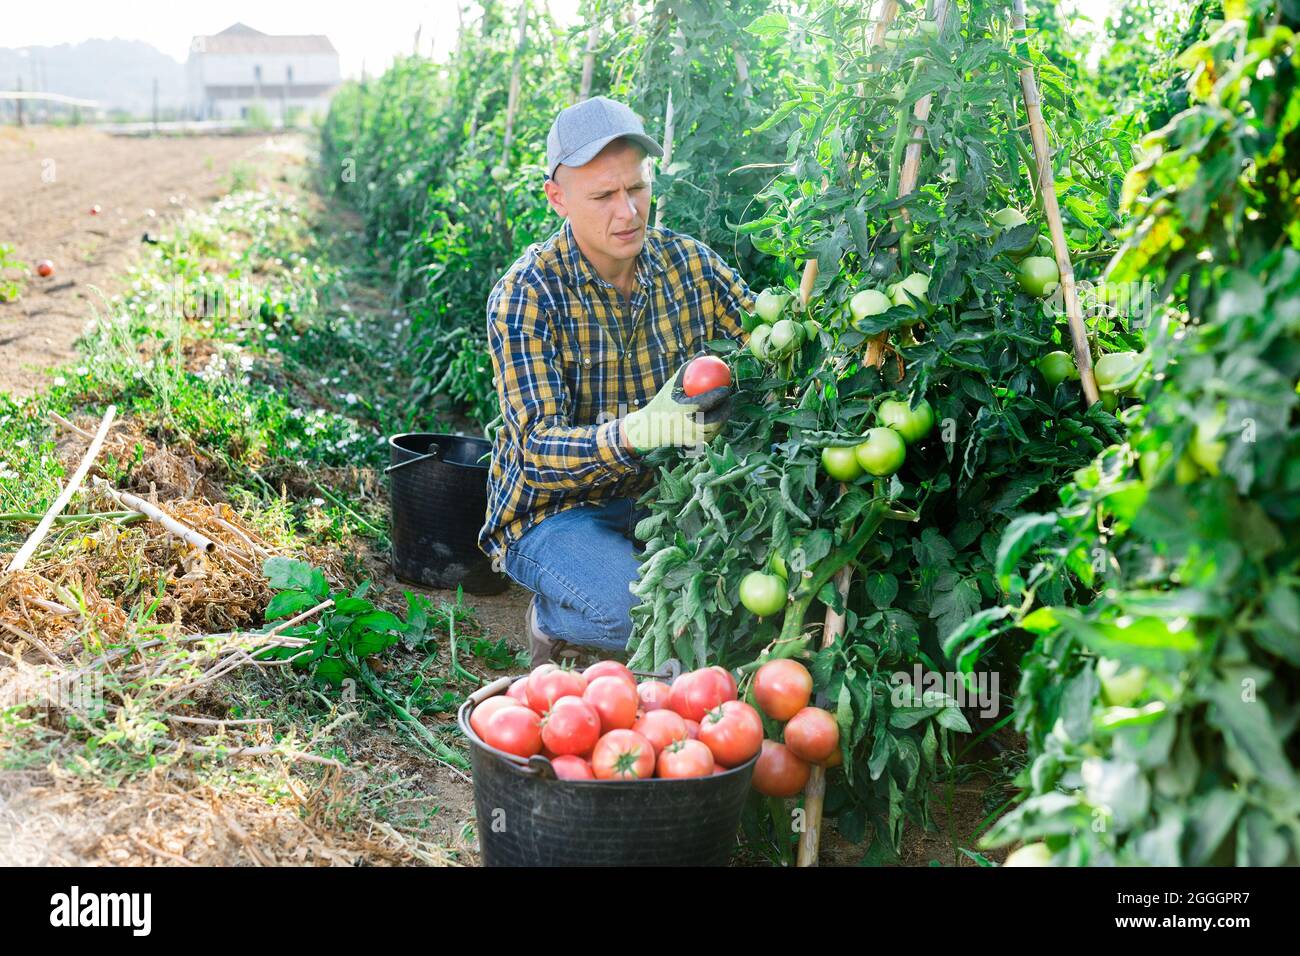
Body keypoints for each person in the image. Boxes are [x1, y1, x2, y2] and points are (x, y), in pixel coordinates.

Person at [478, 96, 753, 667]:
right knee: (646, 616)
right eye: (603, 196)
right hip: (552, 512)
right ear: (558, 198)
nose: (628, 212)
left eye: (638, 188)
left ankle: (605, 601)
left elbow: (767, 346)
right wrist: (633, 433)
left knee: (731, 609)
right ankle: (553, 614)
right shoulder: (527, 294)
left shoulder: (690, 267)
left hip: (662, 500)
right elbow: (534, 451)